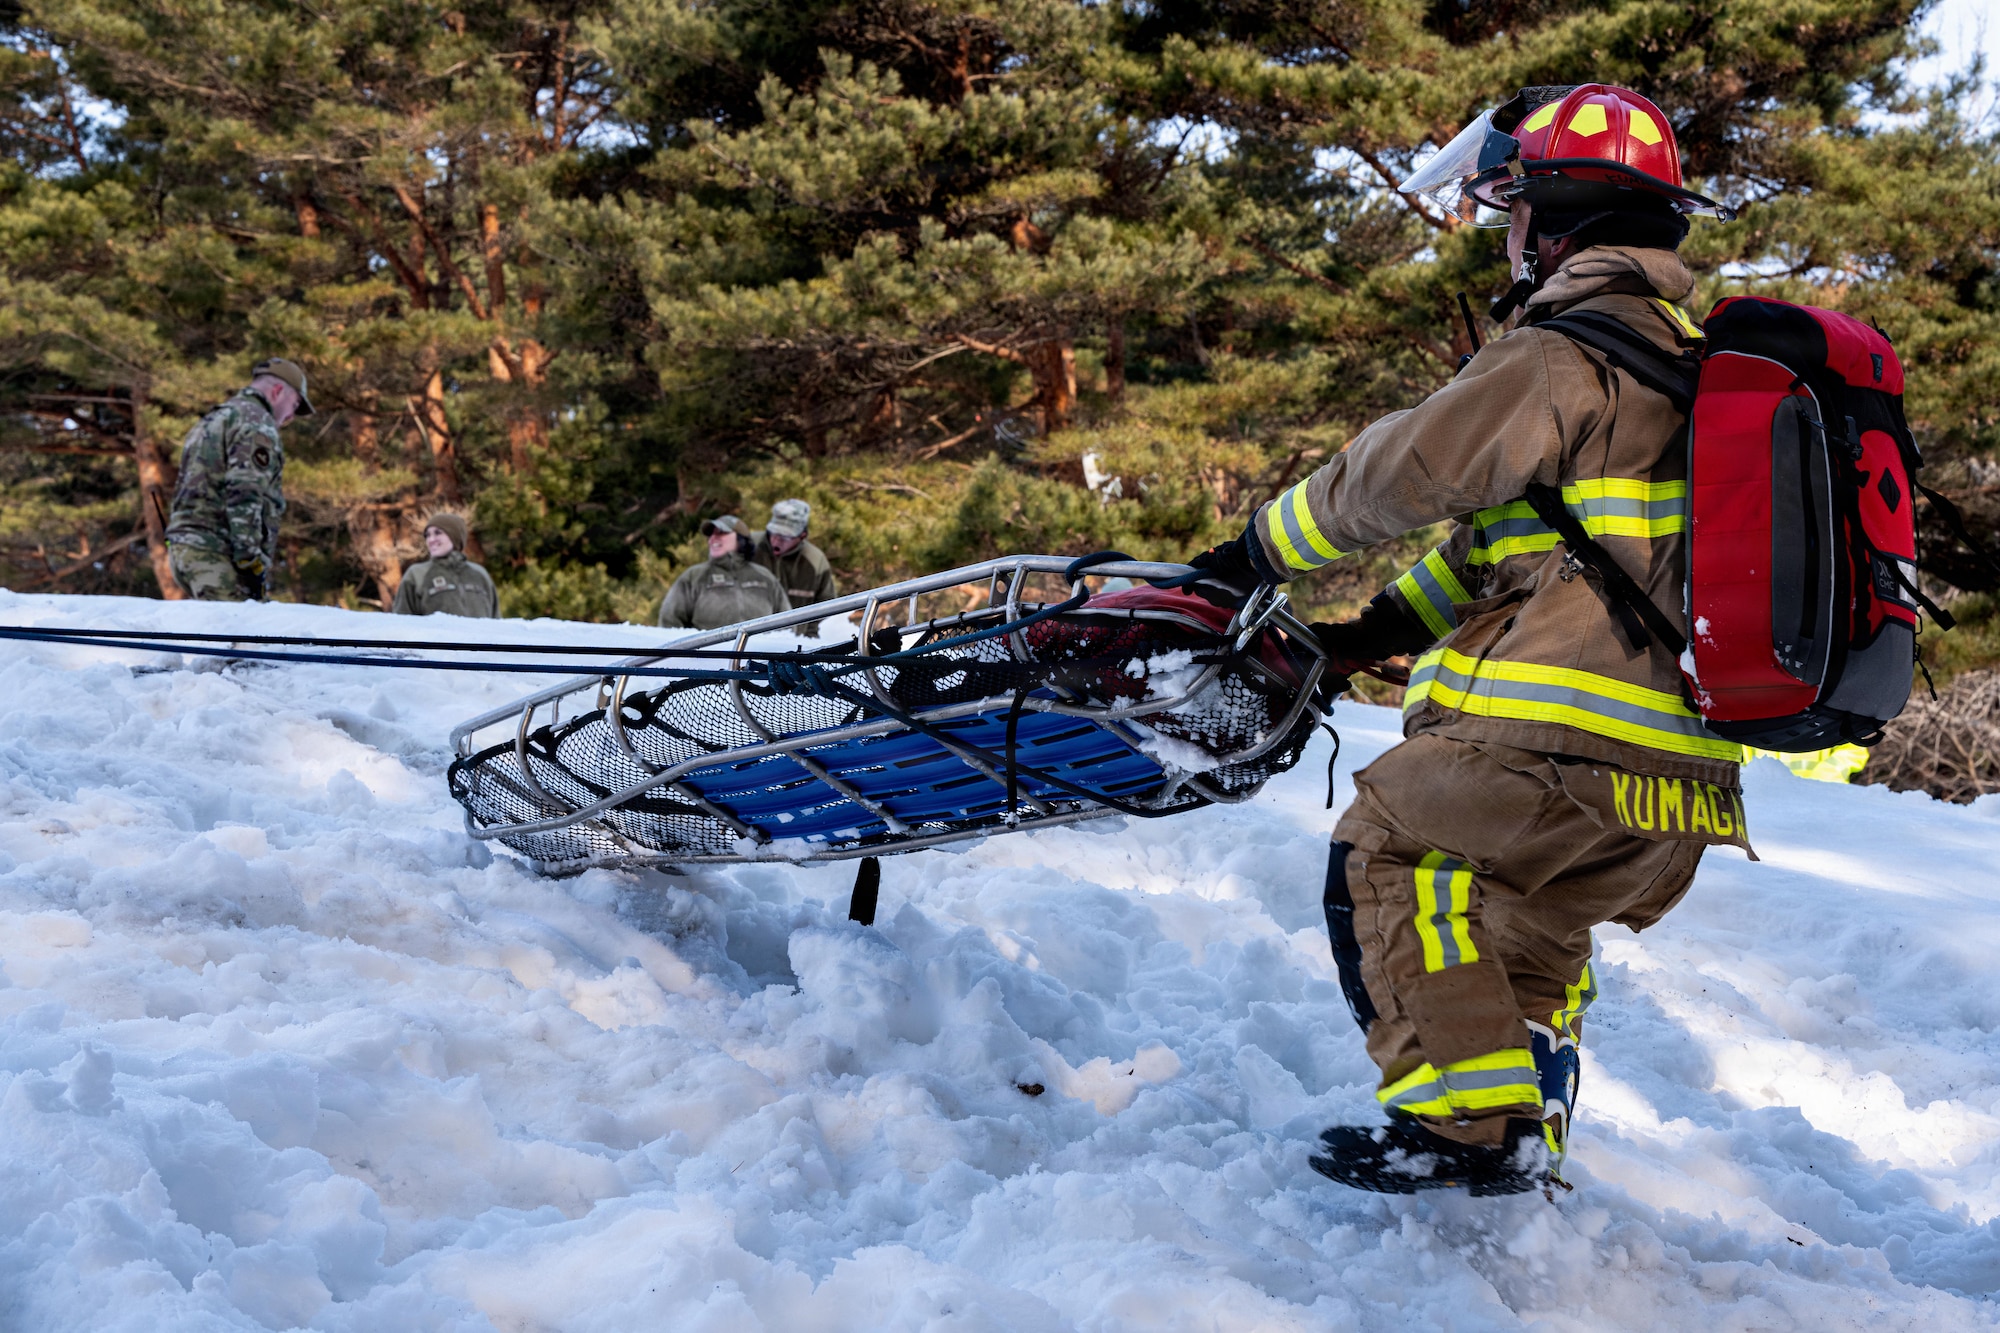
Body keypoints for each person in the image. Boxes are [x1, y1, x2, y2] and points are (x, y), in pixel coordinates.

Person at [1192, 84, 1745, 1195]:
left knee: (1386, 852)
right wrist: (1375, 630)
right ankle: (1522, 1122)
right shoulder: (1689, 374)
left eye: (1510, 210)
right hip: (1679, 788)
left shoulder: (1558, 353)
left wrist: (1251, 553)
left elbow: (1399, 472)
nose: (1505, 234)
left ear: (1551, 217)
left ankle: (1461, 1129)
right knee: (1522, 930)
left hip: (1556, 737)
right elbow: (1530, 545)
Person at [164, 357, 311, 601]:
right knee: (242, 636)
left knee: (220, 634)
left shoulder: (213, 419)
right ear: (277, 392)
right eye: (294, 405)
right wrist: (249, 559)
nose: (290, 417)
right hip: (217, 554)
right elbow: (245, 491)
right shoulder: (256, 423)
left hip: (185, 549)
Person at [659, 516, 791, 630]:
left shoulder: (764, 576)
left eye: (721, 533)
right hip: (709, 658)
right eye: (711, 534)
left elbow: (787, 622)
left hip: (759, 658)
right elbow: (669, 621)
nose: (713, 539)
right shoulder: (694, 576)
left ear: (741, 539)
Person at [751, 499, 838, 636]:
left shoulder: (815, 561)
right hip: (743, 643)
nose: (777, 540)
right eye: (774, 533)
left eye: (785, 536)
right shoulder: (746, 547)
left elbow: (826, 610)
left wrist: (808, 641)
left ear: (802, 535)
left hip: (793, 645)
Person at [392, 513, 498, 617]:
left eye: (438, 533)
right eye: (427, 535)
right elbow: (402, 623)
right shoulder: (417, 574)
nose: (431, 540)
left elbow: (496, 621)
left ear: (454, 536)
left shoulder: (479, 573)